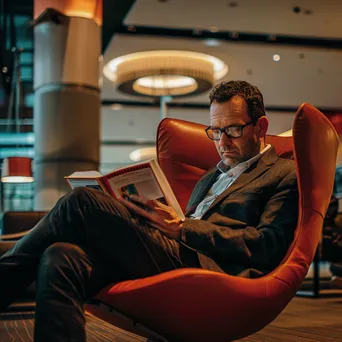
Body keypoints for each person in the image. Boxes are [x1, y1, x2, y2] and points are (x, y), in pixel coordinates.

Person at [0, 80, 298, 342]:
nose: (222, 142)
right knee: (61, 256)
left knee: (81, 202)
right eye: (216, 131)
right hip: (171, 252)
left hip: (210, 270)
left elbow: (264, 246)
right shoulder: (211, 176)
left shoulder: (284, 174)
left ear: (261, 127)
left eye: (232, 130)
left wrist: (183, 229)